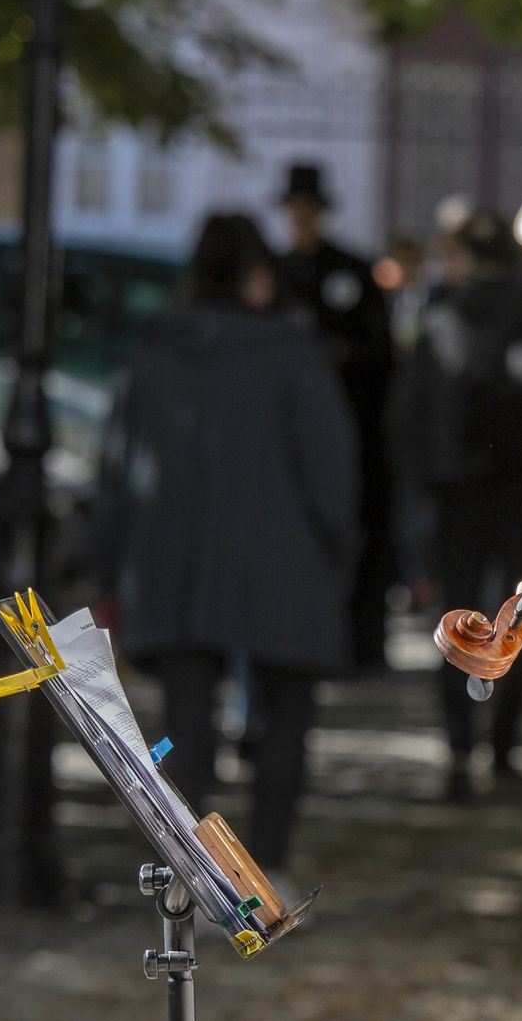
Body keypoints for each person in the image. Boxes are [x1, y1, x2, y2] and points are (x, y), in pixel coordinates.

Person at [95, 213, 357, 876]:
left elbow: (117, 467)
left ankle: (189, 866)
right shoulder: (291, 353)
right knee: (287, 715)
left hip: (172, 561)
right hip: (283, 559)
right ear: (257, 277)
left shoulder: (153, 352)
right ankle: (267, 863)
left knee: (184, 720)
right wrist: (342, 543)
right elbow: (330, 462)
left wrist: (106, 563)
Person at [394, 209, 522, 801]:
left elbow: (407, 414)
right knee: (518, 619)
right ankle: (502, 754)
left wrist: (422, 481)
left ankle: (458, 754)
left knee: (456, 622)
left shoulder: (443, 316)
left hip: (457, 495)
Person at [279, 161, 395, 670]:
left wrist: (342, 354)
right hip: (291, 434)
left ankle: (362, 646)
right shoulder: (278, 273)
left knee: (362, 535)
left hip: (355, 426)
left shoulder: (351, 269)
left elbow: (379, 351)